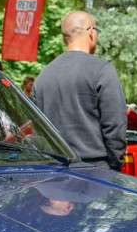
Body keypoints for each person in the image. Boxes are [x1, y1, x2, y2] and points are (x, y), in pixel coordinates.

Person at [32, 11, 127, 170]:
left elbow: (38, 130)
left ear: (64, 39)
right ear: (91, 32)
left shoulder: (43, 75)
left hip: (53, 171)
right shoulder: (102, 70)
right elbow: (115, 125)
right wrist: (115, 165)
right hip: (95, 171)